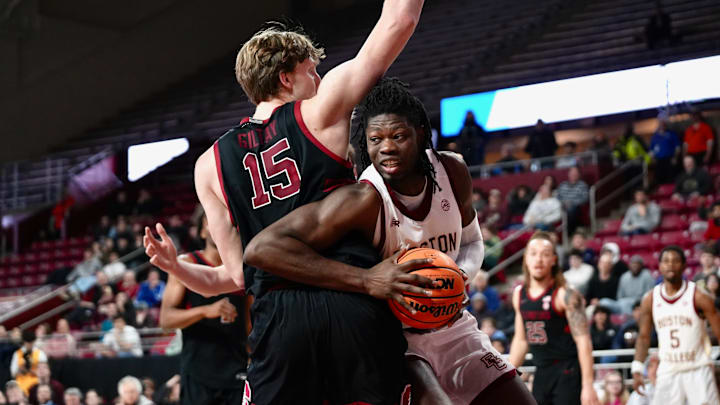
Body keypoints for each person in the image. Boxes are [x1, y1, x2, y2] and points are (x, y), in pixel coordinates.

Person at [144, 4, 427, 404]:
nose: (318, 78)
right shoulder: (321, 111)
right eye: (311, 70)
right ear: (286, 77)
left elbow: (234, 277)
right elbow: (399, 20)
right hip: (354, 295)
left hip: (279, 321)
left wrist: (175, 268)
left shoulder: (209, 164)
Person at [243, 78, 534, 405]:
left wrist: (456, 277)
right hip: (399, 339)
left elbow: (471, 242)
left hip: (455, 328)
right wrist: (366, 279)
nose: (387, 148)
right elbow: (261, 249)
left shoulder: (452, 171)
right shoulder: (364, 198)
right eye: (375, 139)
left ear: (421, 134)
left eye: (398, 136)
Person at [159, 211, 248, 405]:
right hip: (198, 370)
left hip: (237, 367)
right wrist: (205, 311)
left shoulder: (244, 267)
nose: (219, 225)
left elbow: (250, 323)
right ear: (202, 231)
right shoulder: (186, 264)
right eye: (210, 221)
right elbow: (166, 320)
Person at [508, 232, 600, 405]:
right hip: (542, 370)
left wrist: (588, 385)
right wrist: (506, 378)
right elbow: (521, 340)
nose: (539, 259)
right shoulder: (519, 294)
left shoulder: (566, 294)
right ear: (526, 258)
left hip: (568, 370)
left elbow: (583, 341)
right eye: (533, 253)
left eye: (545, 254)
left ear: (554, 260)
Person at [632, 246, 720, 404]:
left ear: (684, 266)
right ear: (659, 266)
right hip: (668, 369)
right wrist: (637, 367)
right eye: (666, 261)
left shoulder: (699, 296)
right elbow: (644, 337)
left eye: (675, 261)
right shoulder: (651, 299)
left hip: (697, 368)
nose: (670, 265)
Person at [10, 330, 47, 395]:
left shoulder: (40, 354)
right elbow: (13, 373)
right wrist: (21, 369)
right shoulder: (17, 354)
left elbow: (45, 372)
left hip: (36, 384)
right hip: (21, 385)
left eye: (31, 342)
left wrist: (29, 370)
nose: (29, 345)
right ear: (24, 342)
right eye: (27, 342)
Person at [556, 167, 589, 234]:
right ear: (568, 174)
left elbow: (585, 198)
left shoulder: (583, 185)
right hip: (562, 206)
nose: (574, 174)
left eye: (575, 173)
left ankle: (568, 232)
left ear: (579, 175)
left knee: (572, 210)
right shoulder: (562, 185)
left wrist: (572, 203)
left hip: (575, 207)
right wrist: (563, 203)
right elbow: (557, 197)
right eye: (572, 173)